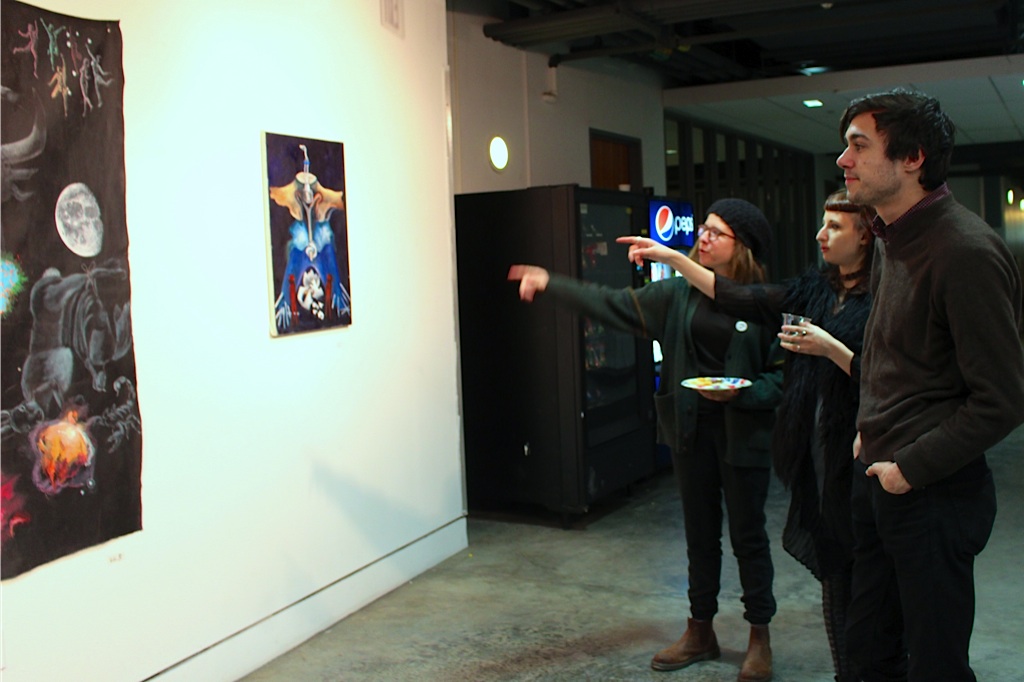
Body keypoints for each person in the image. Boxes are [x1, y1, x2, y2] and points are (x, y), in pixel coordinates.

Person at [509, 199, 784, 681]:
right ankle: (700, 630)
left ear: (742, 246)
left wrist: (745, 393)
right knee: (699, 537)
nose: (703, 237)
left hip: (743, 436)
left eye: (716, 233)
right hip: (690, 431)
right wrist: (553, 284)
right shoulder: (677, 295)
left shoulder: (765, 301)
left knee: (748, 537)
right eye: (703, 228)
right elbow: (613, 304)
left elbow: (783, 378)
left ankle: (759, 636)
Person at [621, 189, 876, 682]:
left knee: (830, 561)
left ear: (867, 235)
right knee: (829, 571)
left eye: (834, 226)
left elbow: (886, 376)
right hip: (803, 447)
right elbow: (732, 294)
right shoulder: (814, 291)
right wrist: (672, 258)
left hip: (859, 449)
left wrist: (820, 355)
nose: (820, 235)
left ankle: (766, 637)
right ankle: (705, 630)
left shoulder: (883, 294)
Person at [837, 89, 1024, 681]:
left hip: (932, 494)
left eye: (858, 146)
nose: (843, 161)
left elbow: (1002, 399)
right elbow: (889, 350)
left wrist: (907, 468)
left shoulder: (964, 251)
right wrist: (871, 432)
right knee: (866, 656)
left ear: (912, 157)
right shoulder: (891, 236)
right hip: (881, 478)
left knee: (937, 668)